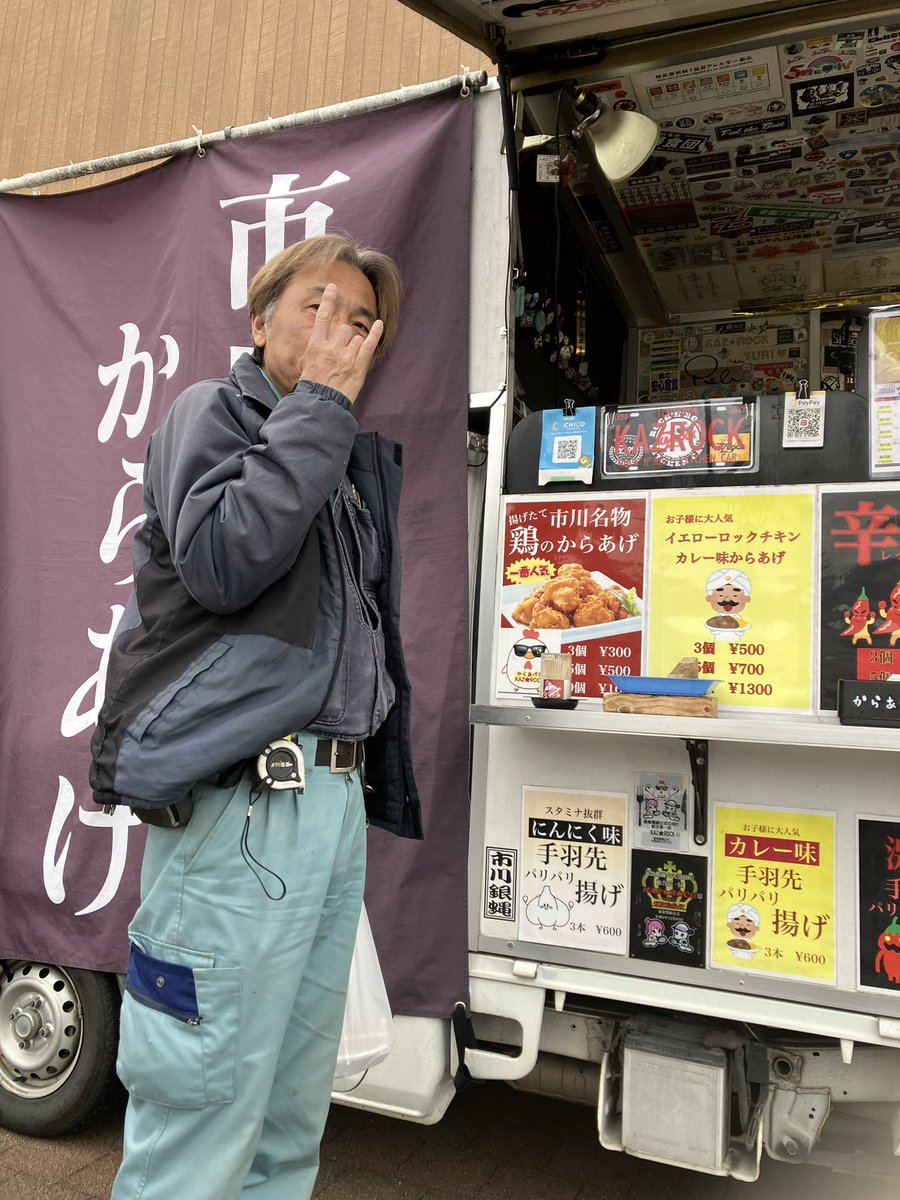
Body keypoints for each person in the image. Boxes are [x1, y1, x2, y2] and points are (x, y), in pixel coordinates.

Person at [90, 233, 421, 1199]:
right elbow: (224, 560)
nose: (339, 331)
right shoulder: (215, 411)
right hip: (246, 810)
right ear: (260, 319)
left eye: (360, 322)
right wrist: (320, 405)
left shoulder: (337, 453)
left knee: (288, 1115)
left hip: (327, 805)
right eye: (316, 306)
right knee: (201, 1117)